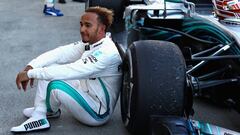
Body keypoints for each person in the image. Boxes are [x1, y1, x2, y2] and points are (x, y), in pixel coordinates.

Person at [11, 6, 122, 133]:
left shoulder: (106, 52)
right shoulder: (92, 43)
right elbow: (60, 53)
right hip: (87, 92)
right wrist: (31, 66)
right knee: (50, 68)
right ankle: (45, 110)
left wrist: (30, 74)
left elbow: (71, 70)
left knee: (56, 83)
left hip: (98, 112)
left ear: (102, 29)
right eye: (81, 24)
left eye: (87, 25)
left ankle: (39, 118)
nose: (82, 29)